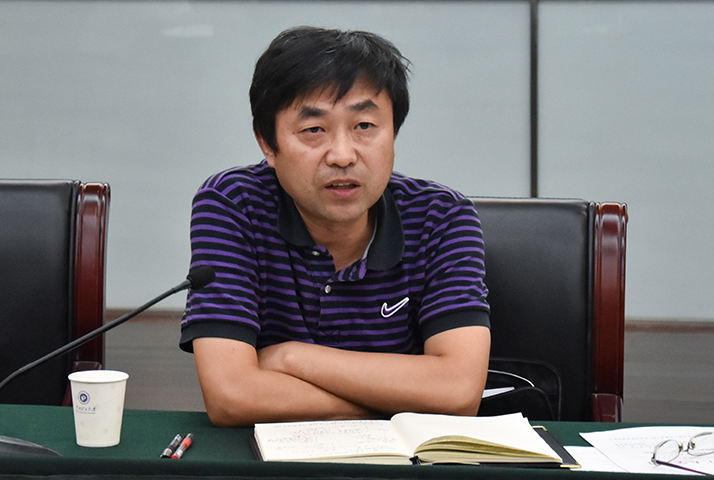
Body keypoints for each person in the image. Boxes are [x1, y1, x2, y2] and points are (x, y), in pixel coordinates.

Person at [179, 26, 491, 427]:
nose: (343, 156)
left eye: (365, 126)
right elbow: (231, 396)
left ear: (393, 134)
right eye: (314, 130)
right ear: (268, 144)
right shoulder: (233, 204)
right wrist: (400, 400)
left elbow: (458, 391)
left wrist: (290, 356)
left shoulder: (442, 217)